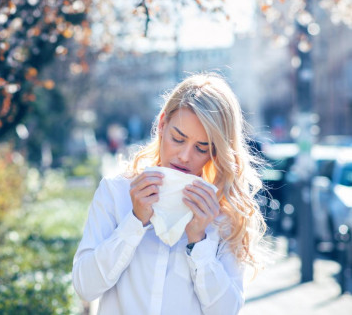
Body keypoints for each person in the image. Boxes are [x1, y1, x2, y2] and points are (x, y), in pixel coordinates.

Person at [72, 73, 267, 315]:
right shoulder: (116, 192)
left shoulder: (223, 214)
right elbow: (84, 287)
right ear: (162, 125)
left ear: (215, 152)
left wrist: (199, 241)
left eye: (201, 148)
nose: (185, 156)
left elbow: (227, 311)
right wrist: (134, 221)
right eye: (178, 138)